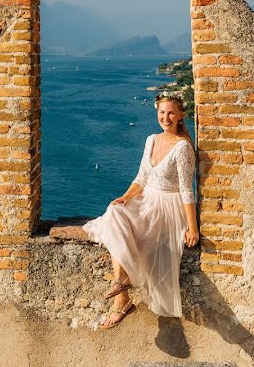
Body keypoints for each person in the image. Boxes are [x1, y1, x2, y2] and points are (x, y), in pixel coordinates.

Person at [82, 93, 199, 329]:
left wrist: (192, 227)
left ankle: (121, 299)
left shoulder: (183, 147)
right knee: (114, 214)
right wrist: (125, 197)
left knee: (126, 231)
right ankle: (122, 284)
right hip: (146, 200)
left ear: (180, 116)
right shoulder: (151, 139)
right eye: (162, 112)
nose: (165, 118)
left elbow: (187, 190)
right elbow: (141, 178)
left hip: (167, 208)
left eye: (171, 113)